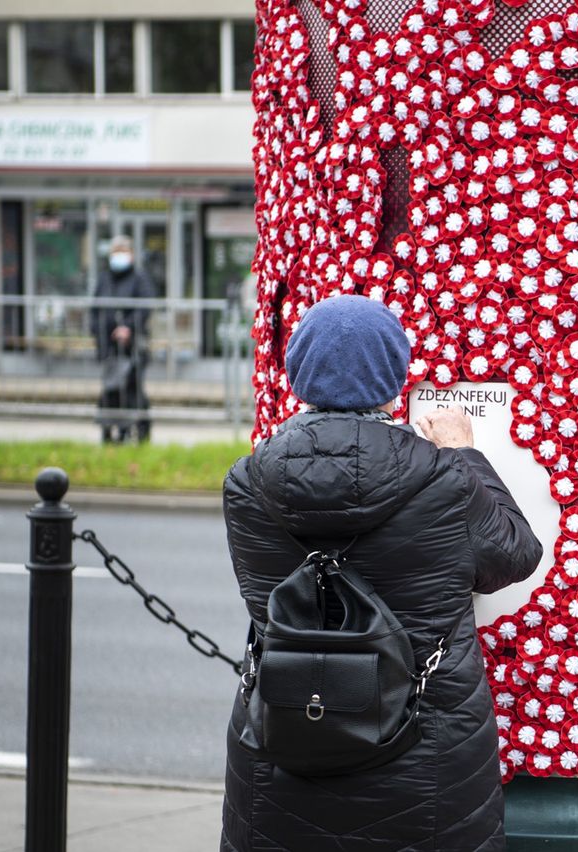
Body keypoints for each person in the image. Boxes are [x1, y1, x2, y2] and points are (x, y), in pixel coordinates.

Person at [220, 295, 543, 852]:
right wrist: (464, 454)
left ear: (297, 375)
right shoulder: (443, 476)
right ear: (395, 376)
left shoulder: (248, 483)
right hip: (426, 740)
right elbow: (513, 554)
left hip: (288, 731)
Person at [90, 236, 154, 443]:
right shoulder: (104, 279)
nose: (119, 256)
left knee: (132, 390)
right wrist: (99, 333)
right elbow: (95, 309)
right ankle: (109, 432)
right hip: (109, 347)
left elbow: (144, 306)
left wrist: (128, 327)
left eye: (123, 251)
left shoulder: (139, 278)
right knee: (110, 390)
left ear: (131, 255)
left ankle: (136, 429)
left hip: (132, 347)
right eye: (116, 251)